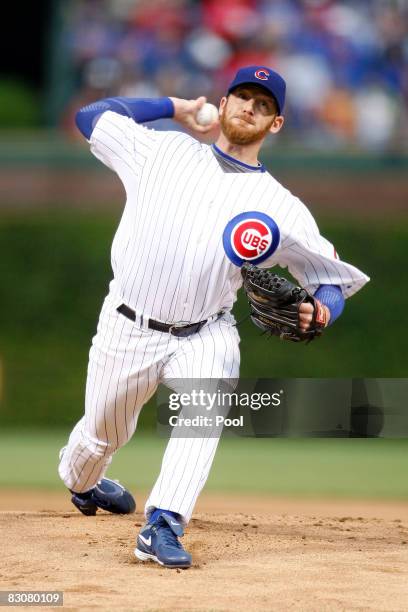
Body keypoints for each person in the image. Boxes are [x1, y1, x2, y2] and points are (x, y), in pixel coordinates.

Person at [58, 65, 369, 569]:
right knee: (100, 438)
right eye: (243, 96)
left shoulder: (281, 206)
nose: (250, 106)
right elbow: (92, 116)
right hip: (128, 324)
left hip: (207, 330)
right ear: (222, 105)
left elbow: (329, 280)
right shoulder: (162, 151)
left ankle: (164, 523)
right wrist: (173, 108)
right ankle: (84, 482)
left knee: (202, 417)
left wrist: (323, 311)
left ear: (276, 124)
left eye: (263, 104)